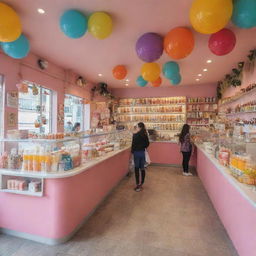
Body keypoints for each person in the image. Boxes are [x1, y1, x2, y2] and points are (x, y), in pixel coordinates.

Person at [131, 122, 150, 192]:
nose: (137, 128)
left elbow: (133, 145)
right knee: (142, 168)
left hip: (136, 153)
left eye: (137, 127)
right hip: (142, 153)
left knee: (136, 168)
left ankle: (137, 184)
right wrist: (143, 147)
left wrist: (132, 152)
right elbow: (147, 144)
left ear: (139, 127)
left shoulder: (135, 135)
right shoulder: (145, 135)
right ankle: (142, 183)